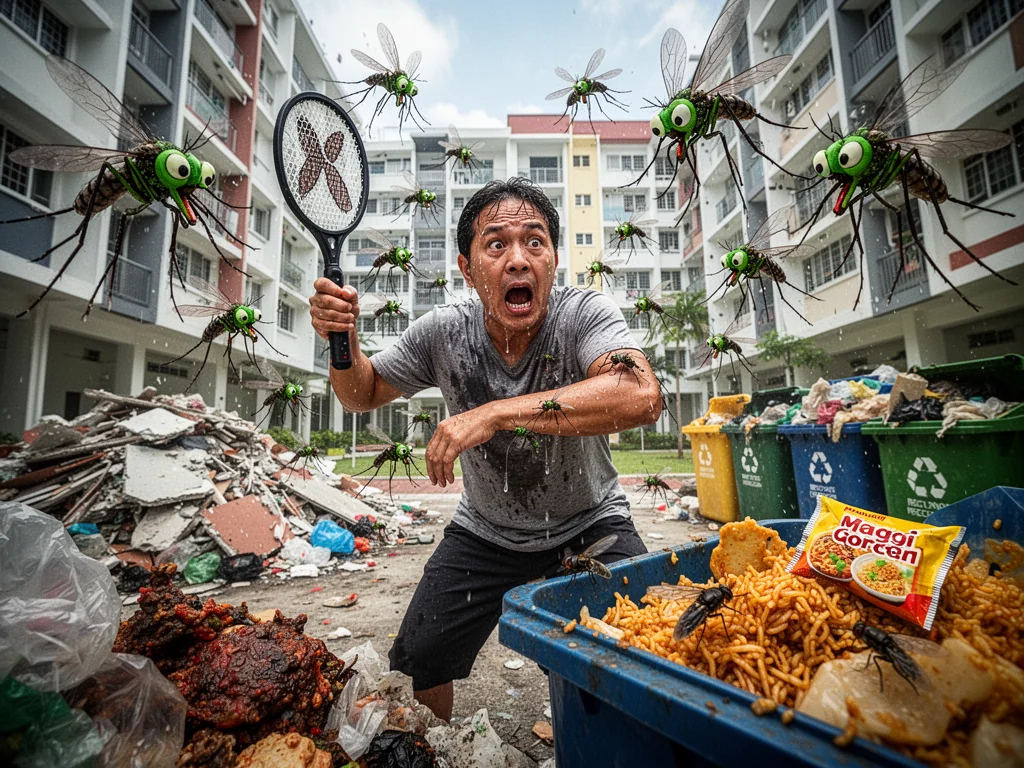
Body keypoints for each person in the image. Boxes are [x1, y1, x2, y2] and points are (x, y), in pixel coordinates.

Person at [308, 177, 662, 720]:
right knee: (422, 654)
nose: (518, 259)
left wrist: (494, 413)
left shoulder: (582, 313)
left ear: (554, 258)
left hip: (589, 523)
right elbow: (361, 393)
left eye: (534, 241)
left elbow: (640, 395)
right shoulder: (443, 332)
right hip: (487, 532)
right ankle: (445, 749)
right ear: (467, 268)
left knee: (628, 651)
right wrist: (343, 341)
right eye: (496, 244)